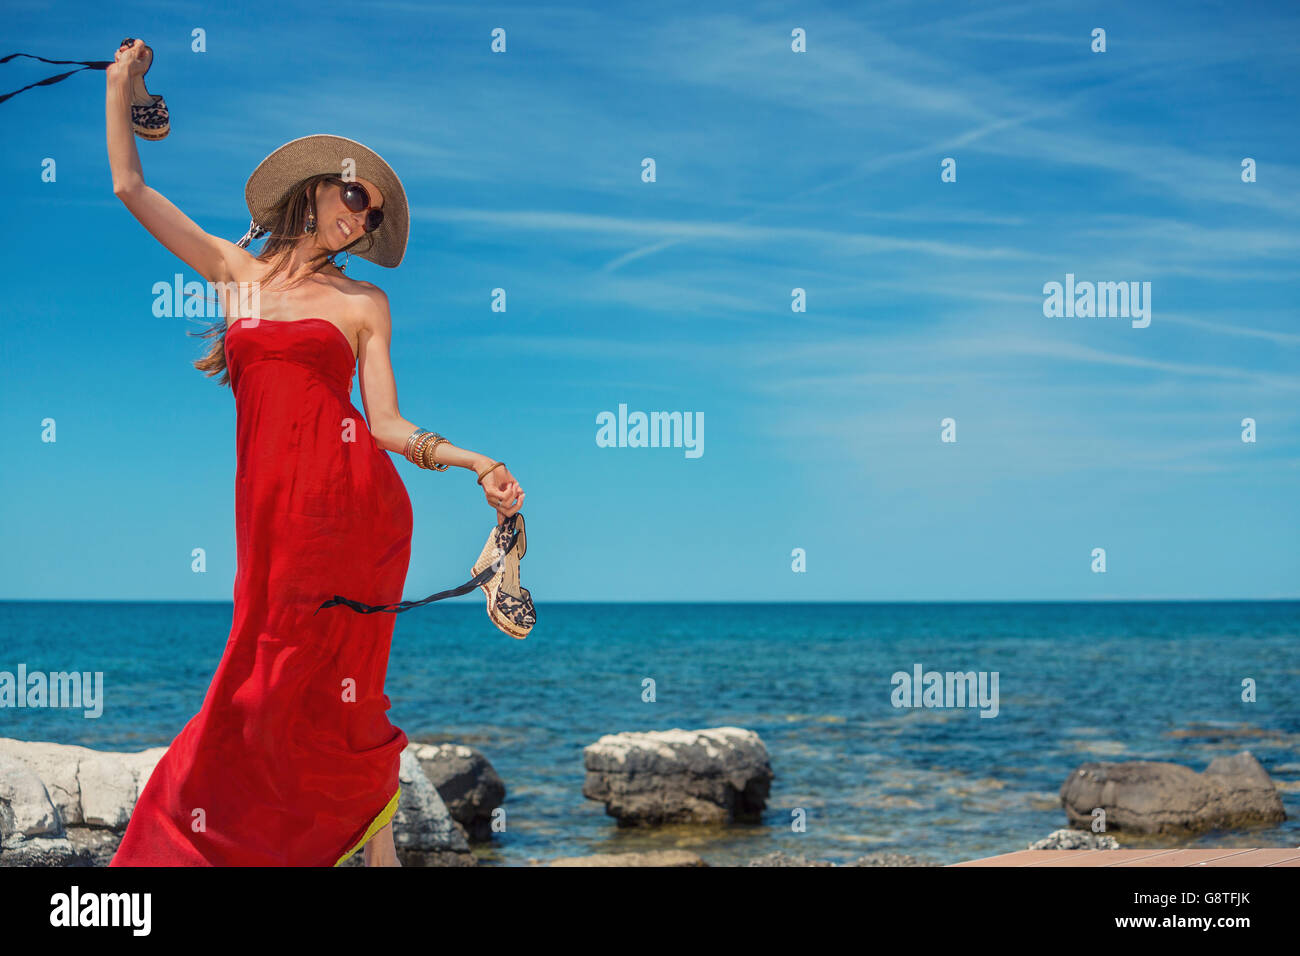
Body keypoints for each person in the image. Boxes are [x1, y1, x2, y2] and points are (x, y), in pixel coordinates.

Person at [103, 38, 524, 866]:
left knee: (323, 686)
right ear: (316, 190)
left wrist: (473, 460)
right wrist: (120, 85)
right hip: (268, 516)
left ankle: (365, 845)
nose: (363, 216)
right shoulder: (236, 275)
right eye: (356, 196)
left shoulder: (366, 303)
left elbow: (386, 426)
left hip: (349, 512)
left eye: (373, 212)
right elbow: (130, 185)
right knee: (256, 686)